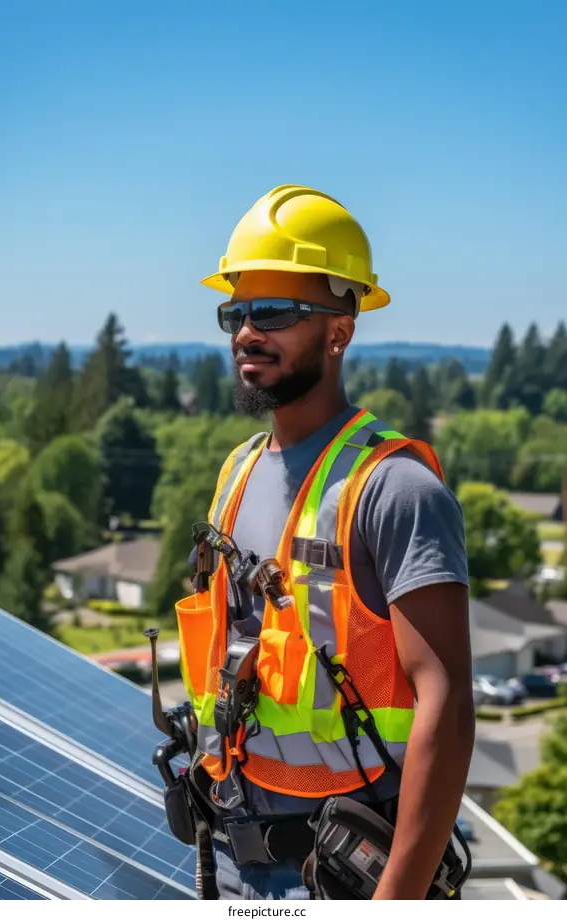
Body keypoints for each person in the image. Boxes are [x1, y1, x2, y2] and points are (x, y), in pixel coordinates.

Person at [176, 185, 475, 900]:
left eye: (273, 313)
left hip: (345, 874)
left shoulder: (395, 489)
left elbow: (449, 703)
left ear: (339, 330)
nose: (247, 333)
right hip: (240, 859)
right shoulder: (237, 473)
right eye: (236, 313)